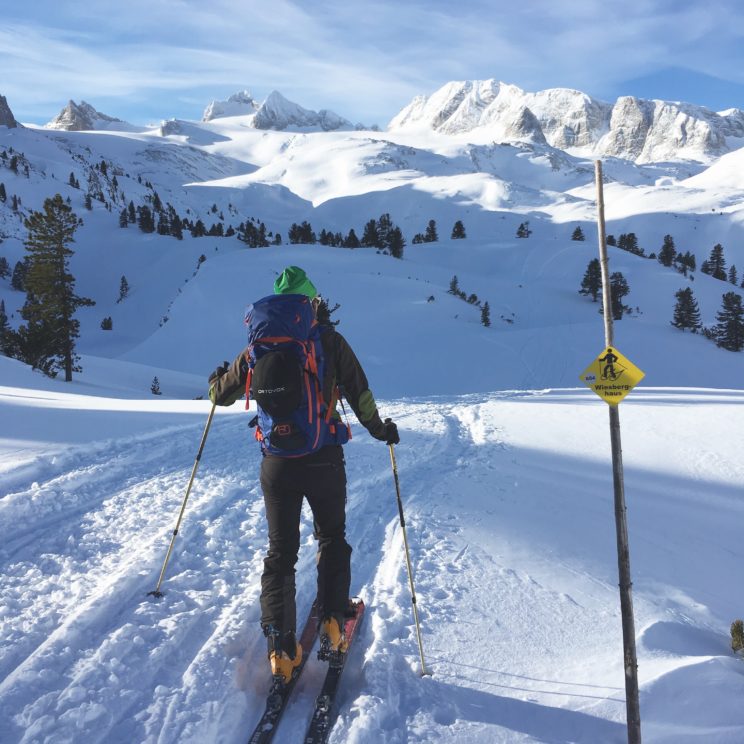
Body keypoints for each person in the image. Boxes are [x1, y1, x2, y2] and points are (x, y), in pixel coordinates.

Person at [208, 266, 399, 683]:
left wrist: (215, 380)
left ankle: (280, 648)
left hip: (276, 463)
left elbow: (219, 395)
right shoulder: (327, 340)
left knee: (281, 554)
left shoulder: (259, 345)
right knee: (331, 537)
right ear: (311, 302)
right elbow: (360, 393)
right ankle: (332, 623)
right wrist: (381, 430)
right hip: (323, 458)